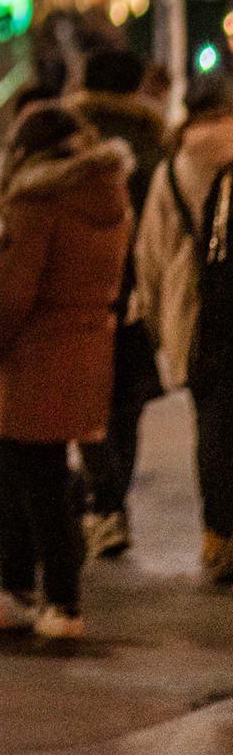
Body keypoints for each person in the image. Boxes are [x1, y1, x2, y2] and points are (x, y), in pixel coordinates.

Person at [0, 104, 131, 641]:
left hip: (33, 352)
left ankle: (46, 599)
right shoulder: (109, 198)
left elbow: (13, 292)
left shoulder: (37, 203)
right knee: (38, 470)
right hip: (84, 345)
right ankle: (35, 594)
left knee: (29, 477)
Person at [68, 46, 168, 558]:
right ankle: (111, 506)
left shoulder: (67, 136)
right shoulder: (153, 144)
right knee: (123, 405)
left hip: (75, 290)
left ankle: (97, 503)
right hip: (131, 293)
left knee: (82, 398)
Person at [133, 73, 233, 583]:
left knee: (213, 427)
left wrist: (155, 321)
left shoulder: (174, 168)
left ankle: (220, 539)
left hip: (197, 318)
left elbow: (149, 253)